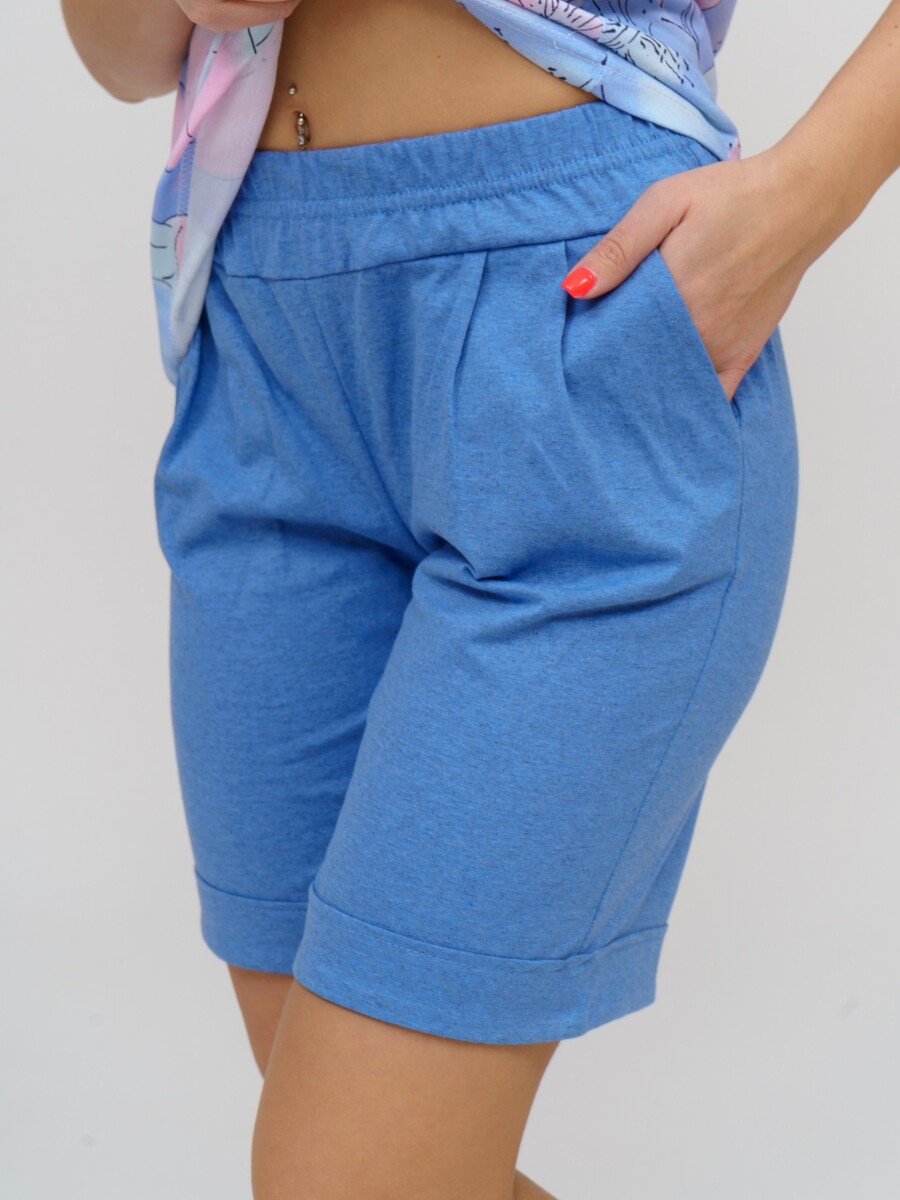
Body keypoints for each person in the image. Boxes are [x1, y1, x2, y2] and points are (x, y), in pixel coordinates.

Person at [60, 3, 900, 1198]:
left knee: (343, 1177)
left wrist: (808, 195)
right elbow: (116, 56)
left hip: (577, 307)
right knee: (371, 1154)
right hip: (261, 336)